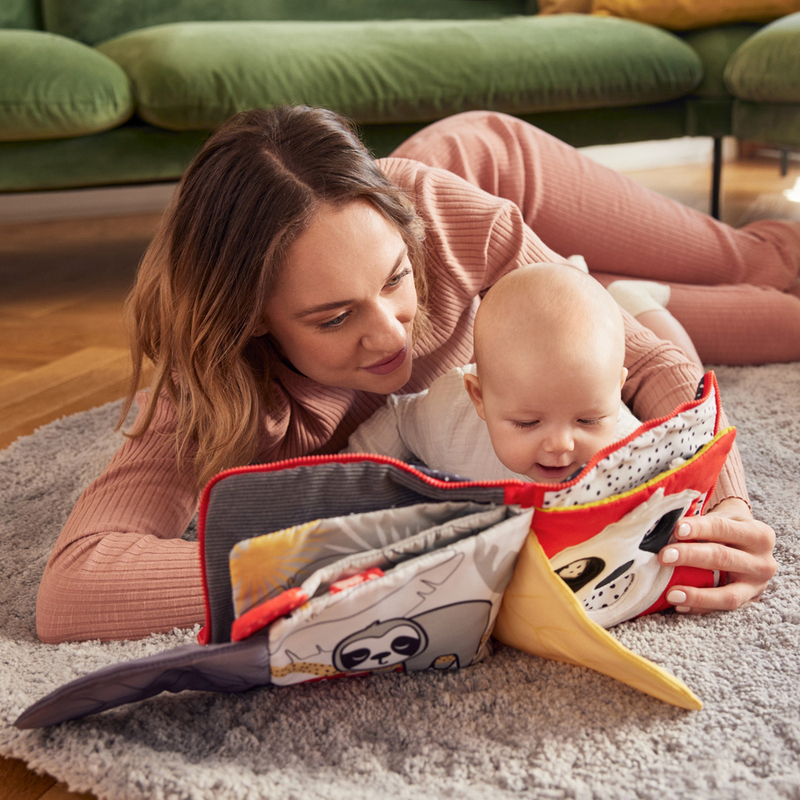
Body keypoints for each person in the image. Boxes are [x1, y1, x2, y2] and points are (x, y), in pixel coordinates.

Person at [36, 106, 788, 644]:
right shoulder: (211, 387)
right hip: (540, 313)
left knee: (757, 263)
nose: (394, 332)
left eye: (397, 279)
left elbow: (649, 363)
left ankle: (626, 287)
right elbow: (76, 583)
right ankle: (623, 292)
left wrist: (727, 512)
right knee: (753, 321)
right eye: (334, 318)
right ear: (253, 316)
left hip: (492, 171)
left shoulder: (449, 217)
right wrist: (356, 560)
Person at [342, 262, 643, 483]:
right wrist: (348, 483)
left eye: (588, 420)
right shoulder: (448, 420)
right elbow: (398, 420)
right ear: (478, 397)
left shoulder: (632, 453)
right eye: (528, 423)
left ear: (616, 391)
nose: (561, 444)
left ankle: (642, 304)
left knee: (668, 332)